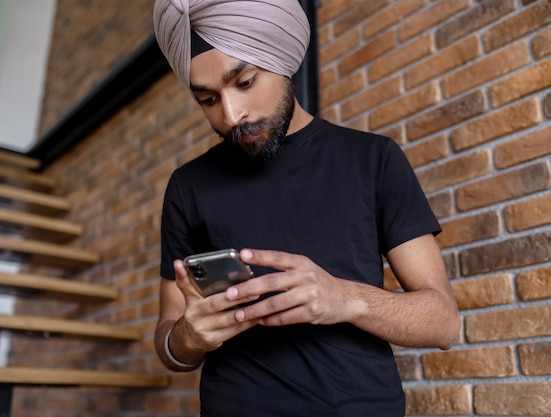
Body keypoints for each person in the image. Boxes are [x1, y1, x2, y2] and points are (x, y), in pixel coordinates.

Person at [152, 1, 460, 416]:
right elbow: (170, 340)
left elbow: (443, 322)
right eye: (208, 99)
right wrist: (189, 337)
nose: (231, 115)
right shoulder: (188, 186)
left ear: (281, 59)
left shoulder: (373, 160)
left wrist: (343, 296)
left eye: (244, 82)